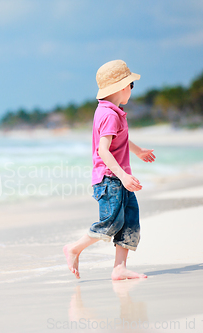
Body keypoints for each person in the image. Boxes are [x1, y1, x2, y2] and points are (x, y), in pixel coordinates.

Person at [63, 60, 156, 280]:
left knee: (130, 220)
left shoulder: (112, 111)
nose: (131, 90)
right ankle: (74, 248)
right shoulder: (109, 114)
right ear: (123, 87)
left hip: (119, 178)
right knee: (111, 222)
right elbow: (103, 150)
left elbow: (121, 139)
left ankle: (119, 268)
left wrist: (138, 151)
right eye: (131, 86)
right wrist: (123, 176)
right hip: (110, 179)